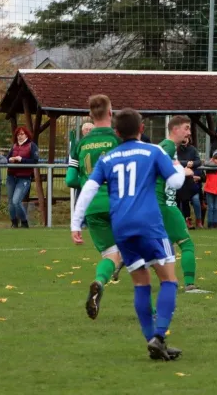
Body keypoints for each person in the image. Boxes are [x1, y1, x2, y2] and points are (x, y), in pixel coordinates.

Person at [71, 108, 186, 360]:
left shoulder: (108, 158)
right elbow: (176, 183)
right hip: (149, 224)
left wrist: (75, 223)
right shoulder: (154, 151)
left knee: (141, 283)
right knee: (169, 280)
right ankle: (160, 335)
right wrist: (177, 166)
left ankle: (153, 343)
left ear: (116, 132)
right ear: (141, 129)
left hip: (121, 227)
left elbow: (89, 189)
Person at [65, 94, 122, 319]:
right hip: (120, 203)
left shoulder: (81, 143)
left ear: (91, 115)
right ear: (110, 113)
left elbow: (70, 180)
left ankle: (99, 281)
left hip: (92, 205)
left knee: (110, 254)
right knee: (139, 254)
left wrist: (87, 180)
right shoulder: (119, 139)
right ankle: (153, 312)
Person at [155, 115, 202, 292]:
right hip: (166, 204)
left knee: (164, 246)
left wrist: (183, 172)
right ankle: (190, 285)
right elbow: (159, 165)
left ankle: (128, 258)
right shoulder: (167, 146)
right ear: (175, 129)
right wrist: (184, 171)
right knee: (186, 244)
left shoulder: (169, 147)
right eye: (186, 128)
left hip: (159, 203)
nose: (189, 132)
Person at [6, 126, 39, 228]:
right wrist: (10, 159)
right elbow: (7, 159)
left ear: (26, 135)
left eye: (22, 134)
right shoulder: (14, 146)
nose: (19, 136)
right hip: (11, 177)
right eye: (18, 134)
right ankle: (14, 223)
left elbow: (35, 160)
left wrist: (21, 159)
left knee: (16, 201)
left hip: (23, 178)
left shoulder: (32, 146)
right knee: (11, 202)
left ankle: (24, 222)